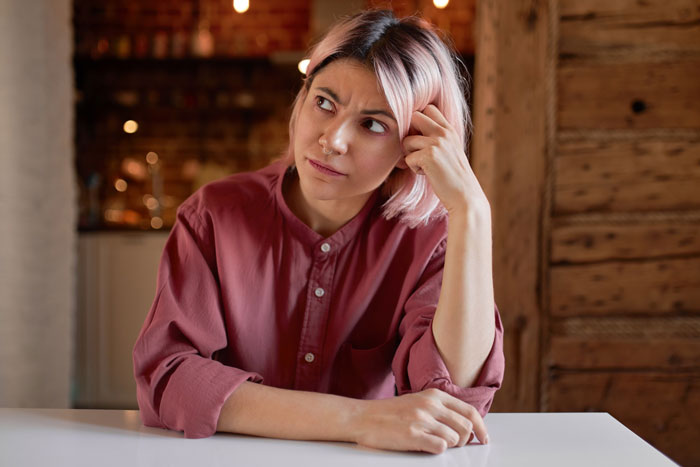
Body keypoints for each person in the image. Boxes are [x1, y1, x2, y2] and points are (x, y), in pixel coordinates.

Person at [133, 9, 504, 455]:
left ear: (413, 145)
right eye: (324, 102)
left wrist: (471, 212)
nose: (332, 140)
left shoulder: (431, 240)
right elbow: (169, 378)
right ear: (302, 96)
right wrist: (357, 419)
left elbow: (455, 400)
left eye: (372, 124)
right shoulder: (213, 215)